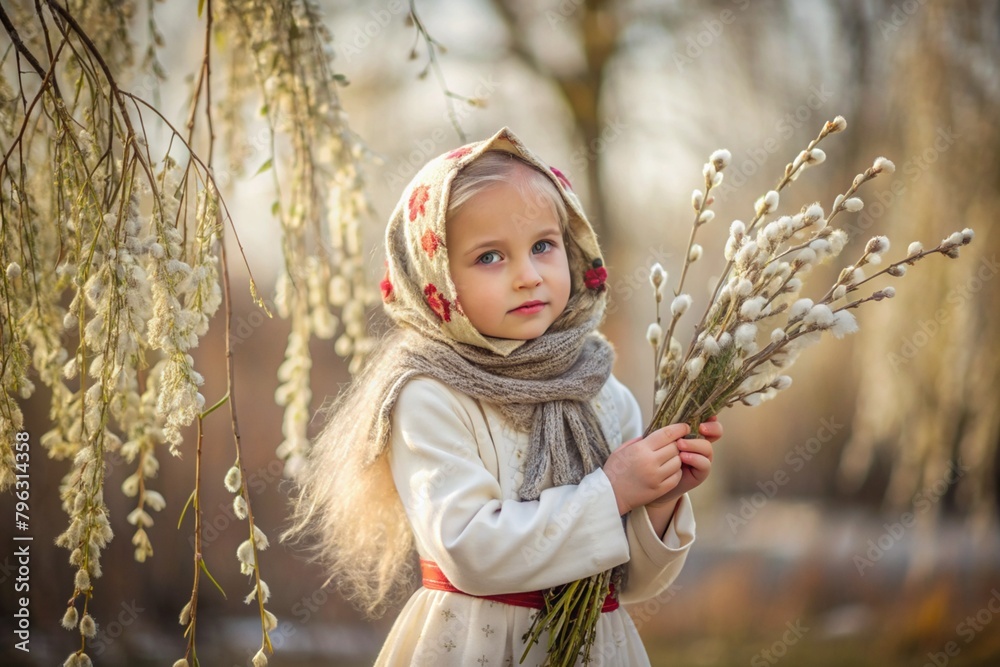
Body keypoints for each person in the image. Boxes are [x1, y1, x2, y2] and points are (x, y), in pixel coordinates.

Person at [285, 127, 722, 666]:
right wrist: (611, 491)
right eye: (490, 257)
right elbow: (472, 550)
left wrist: (655, 501)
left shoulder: (600, 390)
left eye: (543, 246)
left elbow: (629, 582)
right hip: (476, 645)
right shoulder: (430, 394)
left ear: (573, 248)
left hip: (596, 649)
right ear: (436, 282)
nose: (527, 276)